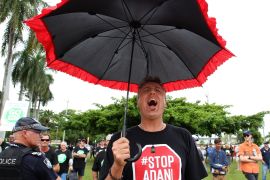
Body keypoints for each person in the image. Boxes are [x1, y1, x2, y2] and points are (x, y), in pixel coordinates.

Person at [99, 76, 208, 180]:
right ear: (138, 102)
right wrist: (117, 166)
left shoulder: (184, 136)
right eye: (146, 90)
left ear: (165, 103)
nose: (152, 92)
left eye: (158, 90)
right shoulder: (119, 140)